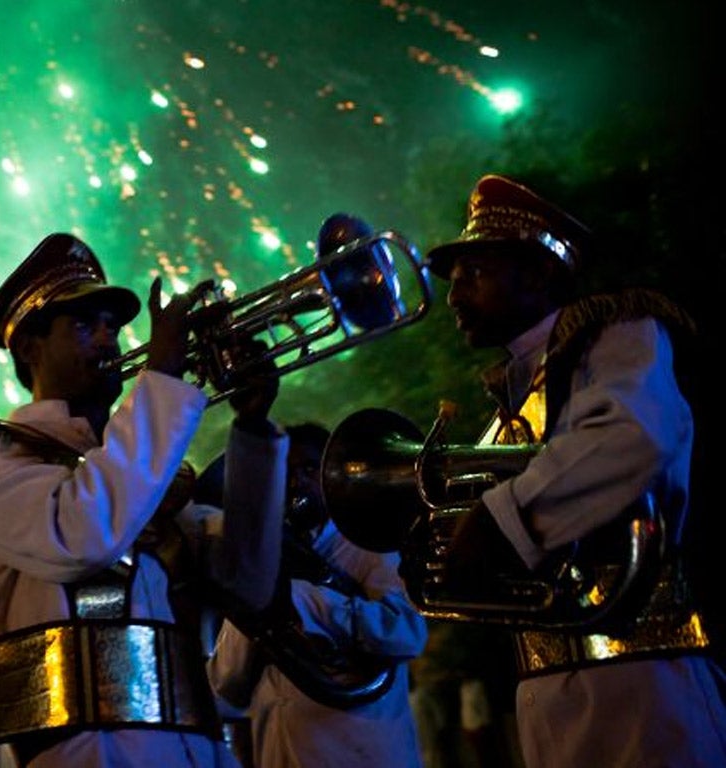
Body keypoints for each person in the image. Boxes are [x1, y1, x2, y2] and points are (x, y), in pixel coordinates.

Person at [0, 232, 289, 768]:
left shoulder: (139, 466)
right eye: (84, 324)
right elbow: (80, 535)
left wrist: (252, 429)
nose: (108, 338)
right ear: (28, 348)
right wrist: (162, 379)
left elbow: (249, 585)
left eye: (113, 324)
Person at [422, 173, 725, 768]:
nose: (454, 297)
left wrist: (498, 518)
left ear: (537, 273)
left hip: (642, 682)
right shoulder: (510, 394)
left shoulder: (617, 332)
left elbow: (630, 435)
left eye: (474, 274)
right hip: (547, 687)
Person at [206, 421, 428, 768]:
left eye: (309, 468)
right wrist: (253, 604)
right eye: (285, 472)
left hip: (361, 753)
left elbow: (407, 634)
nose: (297, 482)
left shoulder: (368, 545)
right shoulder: (265, 561)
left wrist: (307, 601)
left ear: (332, 476)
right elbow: (225, 683)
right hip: (280, 751)